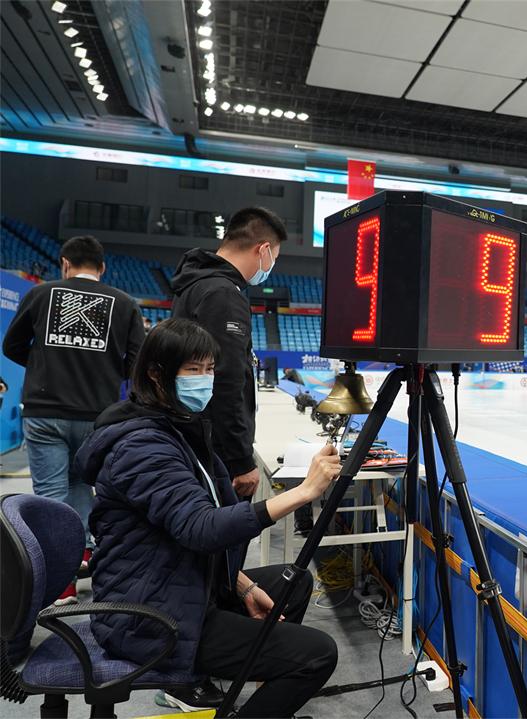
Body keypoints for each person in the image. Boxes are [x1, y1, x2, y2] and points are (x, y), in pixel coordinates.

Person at [73, 319, 340, 717]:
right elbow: (200, 528)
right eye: (192, 370)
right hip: (148, 616)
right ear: (156, 374)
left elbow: (177, 532)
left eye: (209, 369)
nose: (204, 379)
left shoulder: (176, 428)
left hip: (179, 583)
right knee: (317, 654)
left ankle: (260, 686)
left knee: (294, 582)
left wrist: (245, 586)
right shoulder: (141, 445)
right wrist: (303, 493)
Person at [2, 235, 145, 605]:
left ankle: (60, 585)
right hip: (97, 415)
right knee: (83, 487)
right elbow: (138, 360)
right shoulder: (125, 303)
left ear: (65, 263)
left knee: (50, 496)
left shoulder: (41, 294)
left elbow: (11, 346)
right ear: (102, 268)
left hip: (44, 411)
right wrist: (109, 374)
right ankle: (79, 556)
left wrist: (40, 366)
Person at [171, 207, 286, 499]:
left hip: (192, 433)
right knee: (225, 534)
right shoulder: (223, 295)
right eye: (274, 256)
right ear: (263, 250)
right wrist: (241, 460)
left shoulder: (194, 285)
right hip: (216, 448)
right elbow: (226, 379)